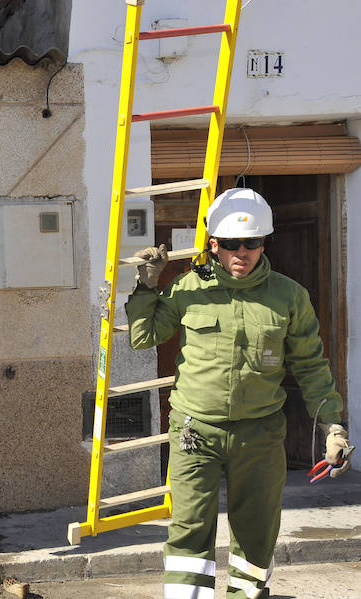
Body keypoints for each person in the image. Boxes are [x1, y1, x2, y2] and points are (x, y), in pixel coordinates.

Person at [125, 188, 352, 599]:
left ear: (264, 243)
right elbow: (143, 337)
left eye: (251, 242)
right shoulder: (188, 288)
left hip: (260, 435)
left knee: (256, 531)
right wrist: (147, 284)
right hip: (195, 432)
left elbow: (311, 365)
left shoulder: (289, 296)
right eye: (231, 244)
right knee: (190, 529)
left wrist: (332, 427)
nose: (241, 252)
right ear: (215, 245)